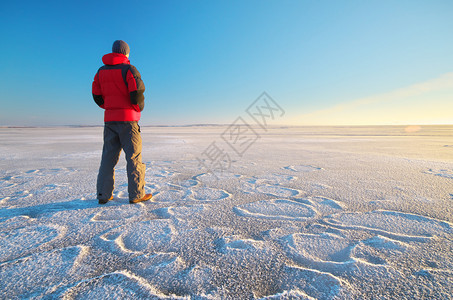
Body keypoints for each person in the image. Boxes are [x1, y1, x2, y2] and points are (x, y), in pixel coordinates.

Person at [92, 40, 152, 204]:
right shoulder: (129, 69)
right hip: (128, 121)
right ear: (126, 53)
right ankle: (136, 194)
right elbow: (137, 93)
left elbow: (96, 95)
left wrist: (109, 107)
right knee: (134, 158)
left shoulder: (100, 72)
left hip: (110, 121)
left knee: (107, 159)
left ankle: (103, 195)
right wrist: (136, 109)